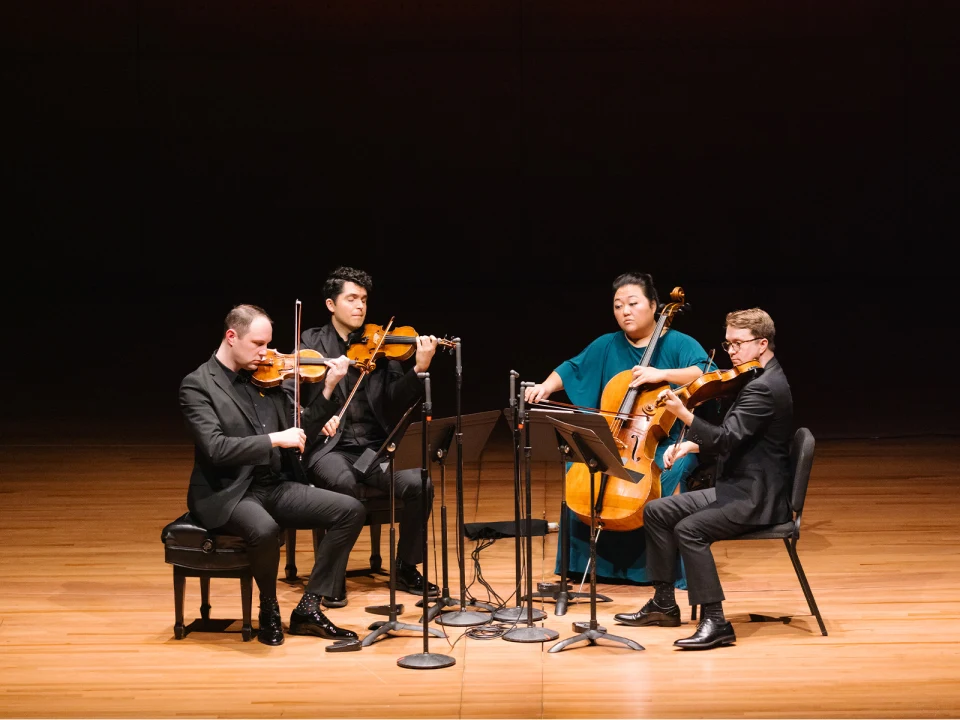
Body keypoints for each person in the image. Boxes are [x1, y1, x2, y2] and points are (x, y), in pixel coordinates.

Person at [179, 304, 364, 646]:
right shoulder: (197, 385)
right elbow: (216, 449)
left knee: (349, 510)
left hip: (272, 484)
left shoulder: (267, 378)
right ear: (231, 337)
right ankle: (268, 607)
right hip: (228, 491)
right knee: (264, 529)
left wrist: (328, 389)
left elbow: (299, 433)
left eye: (268, 344)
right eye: (258, 344)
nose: (266, 354)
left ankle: (309, 607)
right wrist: (273, 440)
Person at [614, 308, 793, 650]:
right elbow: (739, 437)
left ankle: (715, 621)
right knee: (658, 511)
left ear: (762, 344)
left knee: (689, 530)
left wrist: (684, 415)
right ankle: (664, 604)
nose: (732, 353)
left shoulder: (764, 389)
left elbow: (726, 439)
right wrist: (691, 445)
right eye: (728, 344)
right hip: (739, 486)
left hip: (757, 497)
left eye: (738, 344)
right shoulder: (756, 377)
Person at [523, 272, 712, 585]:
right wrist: (545, 386)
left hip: (661, 442)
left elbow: (705, 372)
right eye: (618, 305)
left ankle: (660, 572)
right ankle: (578, 566)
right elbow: (573, 367)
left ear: (654, 305)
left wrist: (660, 373)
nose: (625, 311)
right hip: (616, 439)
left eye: (633, 303)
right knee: (580, 464)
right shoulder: (607, 344)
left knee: (673, 470)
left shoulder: (679, 342)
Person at [294, 266, 440, 606]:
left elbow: (393, 398)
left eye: (363, 300)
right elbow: (296, 402)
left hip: (373, 450)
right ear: (331, 304)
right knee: (343, 485)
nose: (360, 306)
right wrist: (321, 413)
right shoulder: (311, 344)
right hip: (329, 449)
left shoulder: (380, 344)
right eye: (351, 299)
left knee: (421, 483)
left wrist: (419, 368)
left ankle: (405, 566)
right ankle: (333, 575)